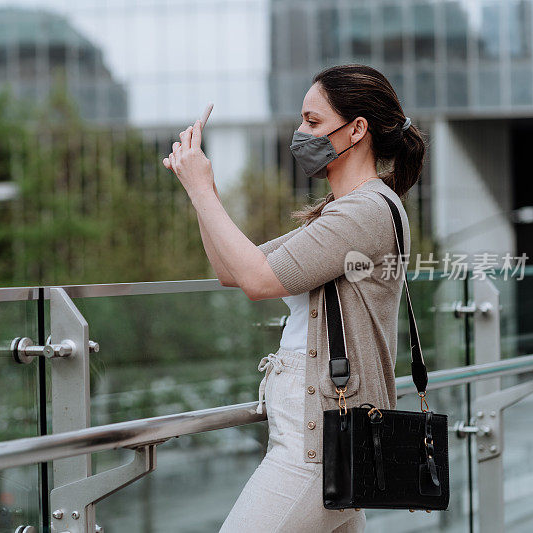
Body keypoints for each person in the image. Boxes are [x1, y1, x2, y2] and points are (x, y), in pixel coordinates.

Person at [163, 63, 425, 532]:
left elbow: (257, 281)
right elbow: (231, 270)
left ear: (357, 129)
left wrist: (201, 187)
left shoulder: (365, 212)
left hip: (319, 445)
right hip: (316, 435)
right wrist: (201, 189)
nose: (300, 133)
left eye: (313, 121)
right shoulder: (340, 212)